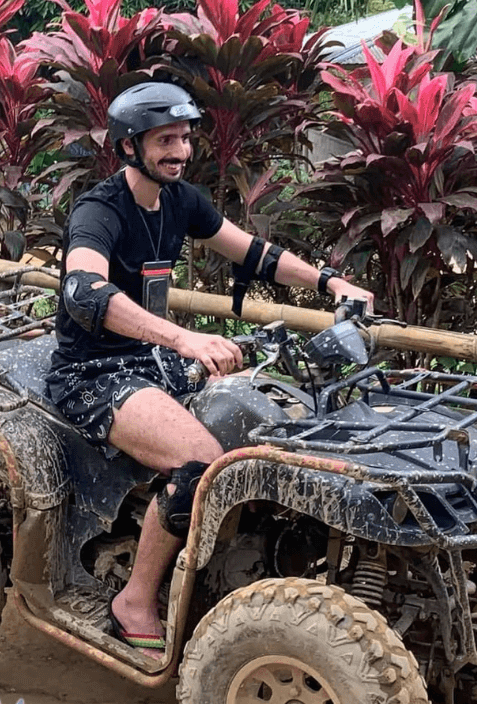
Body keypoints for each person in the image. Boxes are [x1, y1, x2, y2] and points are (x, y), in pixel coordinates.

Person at [45, 81, 373, 661]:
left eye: (185, 138)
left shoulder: (182, 200)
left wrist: (331, 282)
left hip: (156, 360)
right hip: (94, 371)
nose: (181, 151)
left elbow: (255, 254)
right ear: (128, 146)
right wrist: (183, 336)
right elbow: (83, 289)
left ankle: (230, 560)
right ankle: (136, 601)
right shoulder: (99, 210)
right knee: (201, 463)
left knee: (272, 414)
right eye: (165, 140)